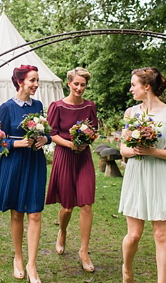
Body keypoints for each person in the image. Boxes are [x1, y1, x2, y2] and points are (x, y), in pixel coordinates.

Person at [0, 65, 52, 283]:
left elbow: (46, 132)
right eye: (32, 80)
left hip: (35, 163)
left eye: (37, 80)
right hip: (14, 163)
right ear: (20, 81)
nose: (36, 84)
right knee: (17, 213)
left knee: (35, 213)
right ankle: (18, 256)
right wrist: (17, 144)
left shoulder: (39, 105)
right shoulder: (6, 108)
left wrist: (46, 139)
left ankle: (32, 265)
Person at [119, 67, 166, 283]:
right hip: (137, 175)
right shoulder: (130, 113)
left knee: (160, 235)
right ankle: (127, 268)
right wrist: (136, 150)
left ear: (147, 87)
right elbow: (123, 150)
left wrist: (152, 151)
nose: (131, 89)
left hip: (162, 176)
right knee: (134, 235)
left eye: (133, 85)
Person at [45, 67, 98, 272]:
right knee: (67, 207)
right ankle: (62, 231)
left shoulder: (90, 106)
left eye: (83, 85)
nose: (79, 88)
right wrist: (70, 145)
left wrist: (88, 139)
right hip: (64, 156)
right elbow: (52, 133)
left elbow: (94, 131)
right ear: (69, 83)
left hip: (83, 157)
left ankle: (83, 251)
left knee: (86, 204)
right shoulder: (57, 106)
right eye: (76, 84)